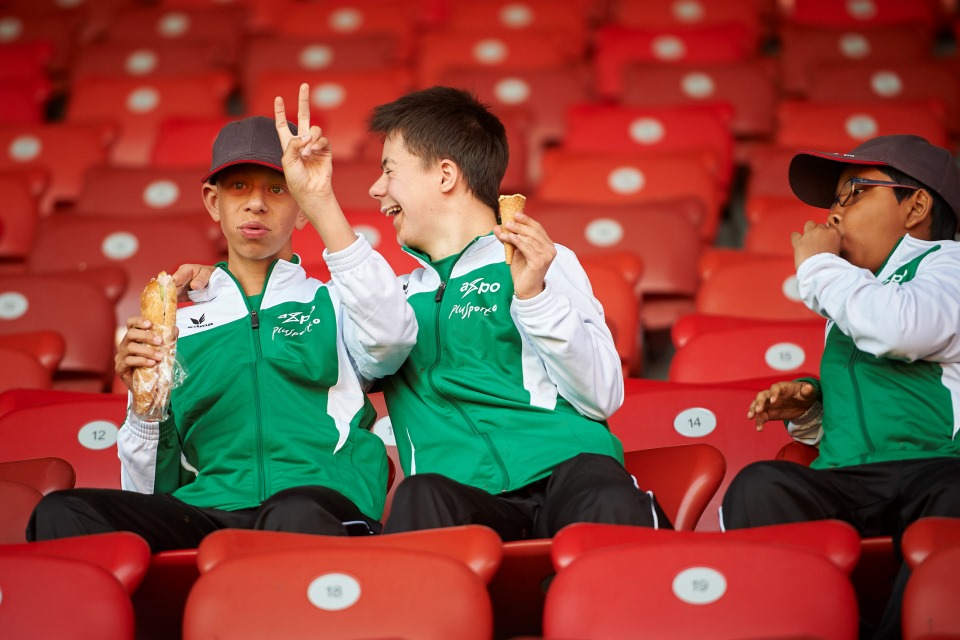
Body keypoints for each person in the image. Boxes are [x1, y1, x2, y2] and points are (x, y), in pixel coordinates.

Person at [178, 85, 668, 539]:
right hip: (465, 497)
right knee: (419, 497)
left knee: (604, 491)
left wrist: (534, 297)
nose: (376, 189)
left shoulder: (536, 258)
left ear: (446, 175)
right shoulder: (391, 297)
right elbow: (321, 336)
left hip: (569, 470)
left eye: (390, 170)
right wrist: (224, 285)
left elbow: (602, 396)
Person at [28, 92, 417, 551]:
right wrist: (144, 406)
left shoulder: (336, 303)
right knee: (59, 512)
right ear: (213, 202)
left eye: (277, 189)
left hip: (320, 507)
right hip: (211, 512)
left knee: (291, 510)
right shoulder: (180, 328)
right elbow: (148, 490)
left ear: (301, 211)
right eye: (238, 188)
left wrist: (321, 199)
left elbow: (393, 335)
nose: (256, 204)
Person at [720, 134, 960, 638]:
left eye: (853, 193)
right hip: (850, 477)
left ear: (915, 205)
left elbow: (903, 330)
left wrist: (817, 266)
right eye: (834, 200)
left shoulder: (948, 266)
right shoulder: (855, 293)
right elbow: (877, 399)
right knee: (761, 486)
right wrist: (810, 407)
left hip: (937, 468)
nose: (833, 214)